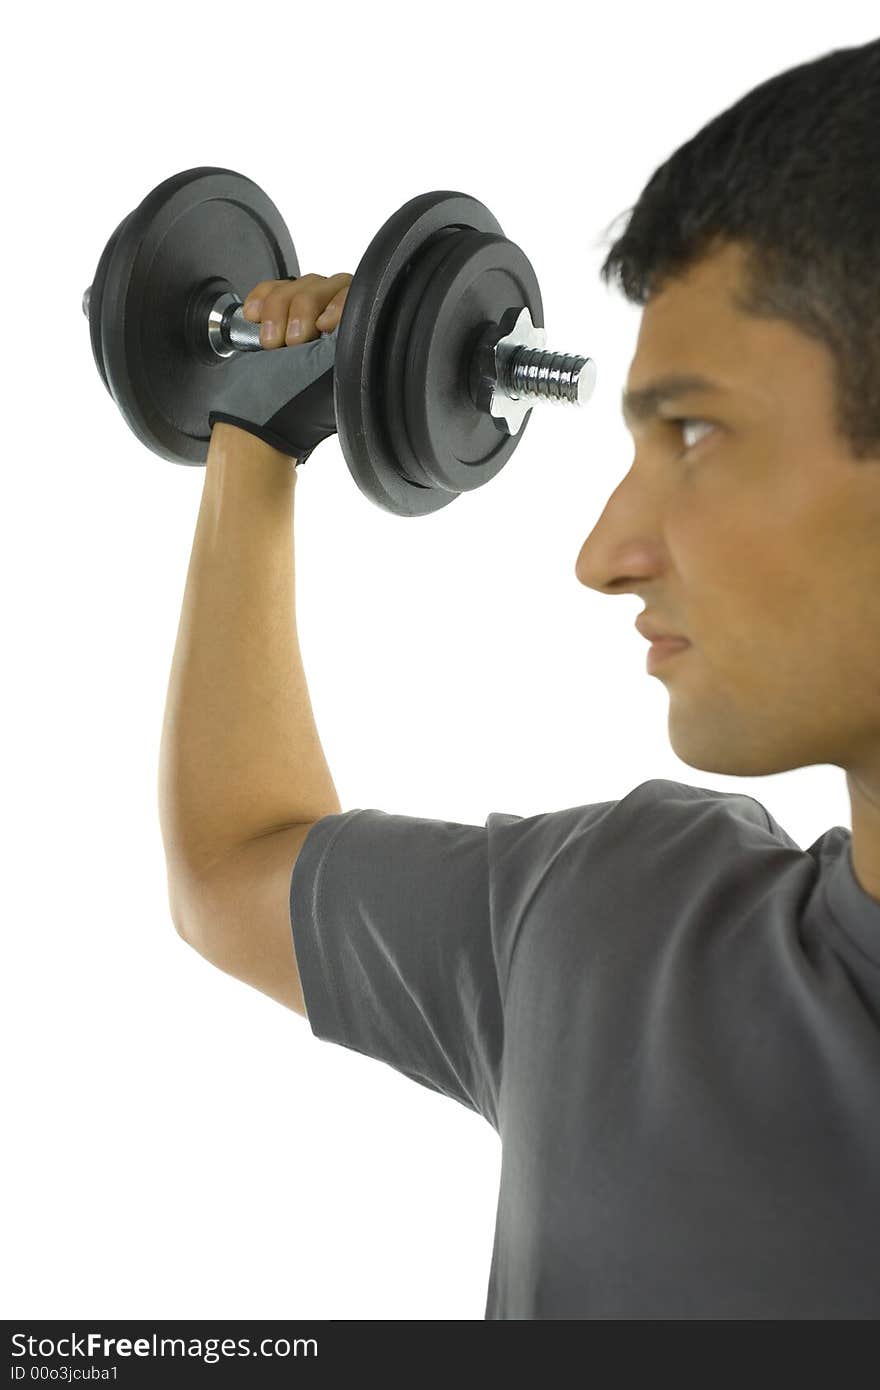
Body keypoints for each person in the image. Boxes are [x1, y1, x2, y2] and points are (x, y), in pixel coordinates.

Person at [157, 37, 880, 1318]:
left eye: (697, 433)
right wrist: (265, 422)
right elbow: (234, 862)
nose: (604, 556)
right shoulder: (621, 933)